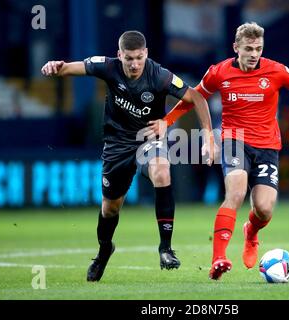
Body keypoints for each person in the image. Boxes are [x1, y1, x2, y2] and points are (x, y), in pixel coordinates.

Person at [146, 22, 289, 280]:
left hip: (267, 145)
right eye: (248, 48)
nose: (254, 54)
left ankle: (251, 232)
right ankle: (218, 259)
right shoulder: (218, 73)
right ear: (236, 48)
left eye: (258, 48)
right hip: (235, 139)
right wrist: (166, 121)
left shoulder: (276, 71)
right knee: (235, 193)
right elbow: (193, 98)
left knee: (264, 209)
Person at [41, 30, 214, 281]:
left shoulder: (160, 75)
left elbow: (196, 96)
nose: (134, 64)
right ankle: (103, 251)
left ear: (146, 54)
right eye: (129, 58)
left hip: (147, 140)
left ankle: (165, 248)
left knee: (161, 168)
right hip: (116, 145)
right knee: (110, 209)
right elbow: (69, 68)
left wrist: (207, 136)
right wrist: (56, 66)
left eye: (138, 58)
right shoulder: (108, 67)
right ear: (119, 54)